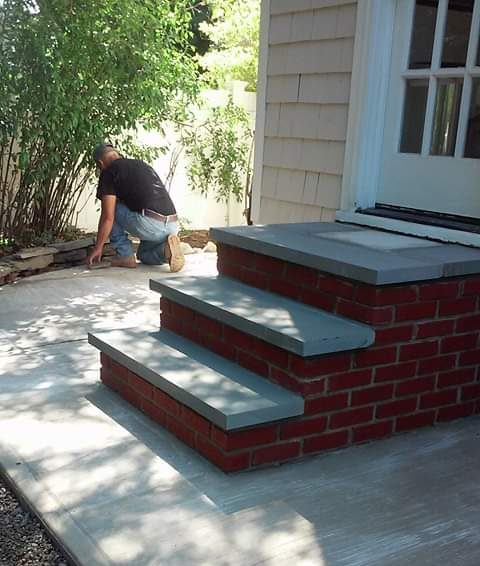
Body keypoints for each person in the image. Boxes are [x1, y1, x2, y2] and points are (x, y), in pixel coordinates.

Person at [86, 143, 184, 272]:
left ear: (100, 163)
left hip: (150, 225)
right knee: (144, 255)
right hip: (172, 225)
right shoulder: (142, 164)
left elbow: (108, 218)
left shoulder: (109, 172)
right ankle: (166, 250)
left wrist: (98, 248)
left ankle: (124, 256)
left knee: (111, 209)